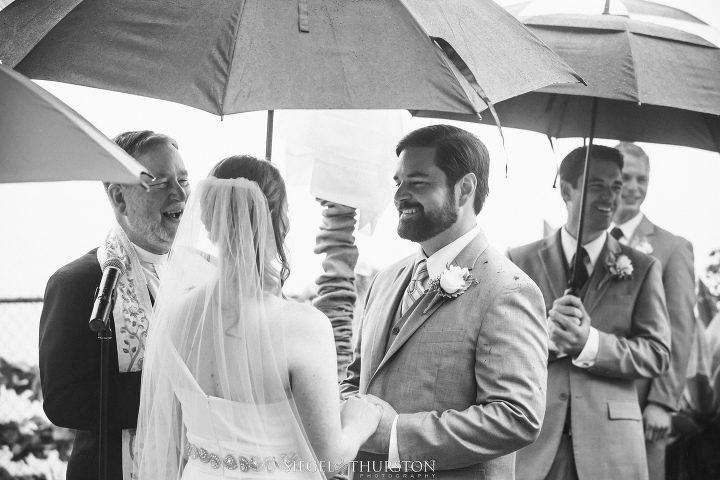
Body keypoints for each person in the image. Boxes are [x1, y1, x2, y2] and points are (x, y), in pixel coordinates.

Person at [133, 155, 383, 479]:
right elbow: (330, 459)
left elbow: (171, 433)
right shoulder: (304, 326)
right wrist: (360, 423)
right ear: (281, 221)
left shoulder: (173, 316)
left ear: (208, 223)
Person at [340, 125, 549, 479]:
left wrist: (396, 434)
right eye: (398, 182)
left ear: (464, 187)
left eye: (418, 182)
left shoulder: (508, 289)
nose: (400, 196)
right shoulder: (385, 280)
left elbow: (517, 416)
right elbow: (356, 379)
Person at [508, 145, 672, 480]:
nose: (611, 197)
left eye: (616, 186)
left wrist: (589, 344)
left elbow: (658, 354)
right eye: (598, 185)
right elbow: (500, 348)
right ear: (567, 190)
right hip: (533, 440)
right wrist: (549, 342)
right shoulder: (518, 261)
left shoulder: (642, 267)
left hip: (611, 449)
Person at [39, 130, 191, 480]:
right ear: (119, 198)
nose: (180, 194)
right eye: (159, 182)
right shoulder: (77, 282)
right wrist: (172, 390)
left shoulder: (208, 273)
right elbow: (64, 400)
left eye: (183, 179)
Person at [609, 142, 697, 480]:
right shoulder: (586, 241)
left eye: (642, 180)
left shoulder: (672, 249)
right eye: (625, 178)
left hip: (642, 402)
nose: (633, 188)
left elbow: (680, 329)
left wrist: (662, 401)